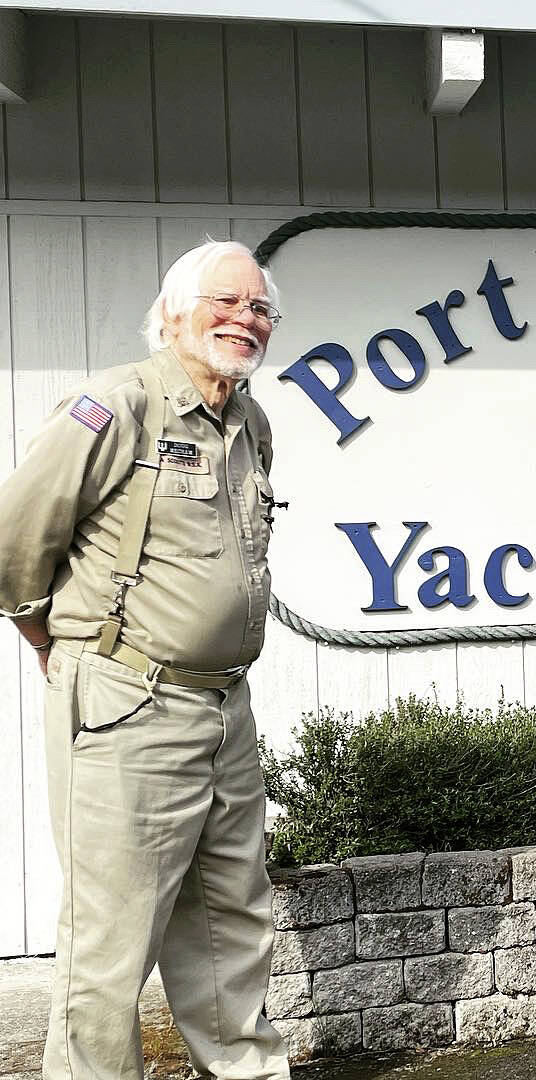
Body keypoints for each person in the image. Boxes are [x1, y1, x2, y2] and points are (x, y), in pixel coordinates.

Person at [0, 240, 292, 1076]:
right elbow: (12, 542)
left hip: (223, 709)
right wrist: (50, 640)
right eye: (226, 302)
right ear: (173, 313)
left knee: (231, 924)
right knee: (110, 942)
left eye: (261, 308)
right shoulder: (114, 408)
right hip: (128, 703)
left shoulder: (250, 421)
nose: (246, 319)